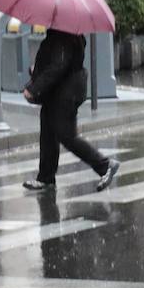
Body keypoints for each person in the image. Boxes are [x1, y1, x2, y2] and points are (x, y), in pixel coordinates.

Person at [22, 29, 121, 192]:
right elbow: (57, 61)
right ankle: (46, 177)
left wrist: (35, 88)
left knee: (66, 135)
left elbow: (58, 66)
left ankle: (105, 165)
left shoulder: (63, 35)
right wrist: (37, 69)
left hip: (65, 93)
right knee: (48, 132)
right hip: (57, 91)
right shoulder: (62, 33)